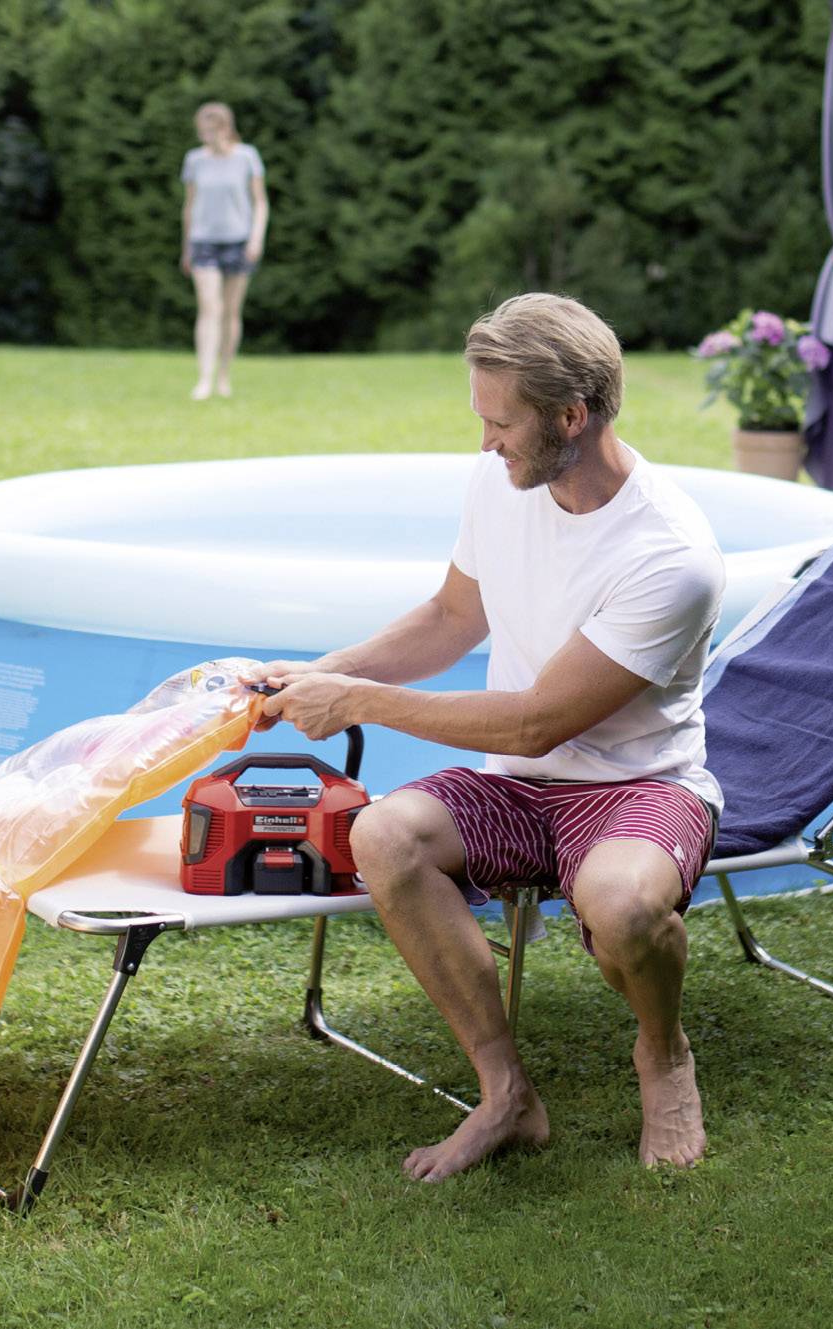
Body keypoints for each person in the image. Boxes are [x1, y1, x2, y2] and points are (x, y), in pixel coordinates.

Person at [249, 293, 725, 1180]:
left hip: (635, 788)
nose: (484, 443)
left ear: (571, 417)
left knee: (622, 906)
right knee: (385, 836)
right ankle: (506, 1093)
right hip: (517, 783)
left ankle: (663, 1055)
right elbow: (450, 615)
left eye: (500, 423)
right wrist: (316, 673)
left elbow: (538, 720)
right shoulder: (505, 480)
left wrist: (356, 701)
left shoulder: (670, 556)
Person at [179, 102, 268, 401]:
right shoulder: (194, 161)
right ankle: (204, 379)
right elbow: (189, 206)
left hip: (238, 240)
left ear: (225, 128)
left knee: (230, 312)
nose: (205, 137)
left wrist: (256, 238)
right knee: (209, 308)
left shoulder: (247, 157)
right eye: (201, 131)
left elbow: (260, 203)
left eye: (210, 131)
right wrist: (187, 247)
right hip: (203, 240)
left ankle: (223, 376)